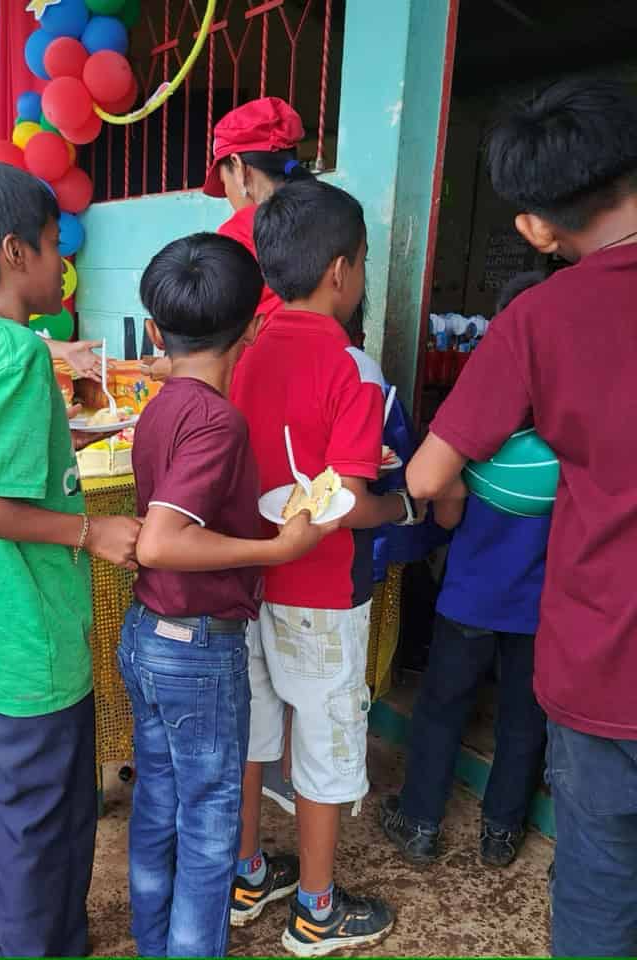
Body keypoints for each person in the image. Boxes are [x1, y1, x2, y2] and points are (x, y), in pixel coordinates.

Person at [405, 78, 637, 958]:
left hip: (605, 657)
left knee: (602, 883)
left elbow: (432, 473)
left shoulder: (541, 317)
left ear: (538, 225)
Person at [0, 160, 140, 958]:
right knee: (43, 834)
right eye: (53, 245)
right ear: (16, 252)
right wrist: (91, 533)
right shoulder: (15, 353)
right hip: (31, 655)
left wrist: (77, 441)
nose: (61, 262)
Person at [121, 232, 335, 958]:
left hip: (149, 635)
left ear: (156, 333)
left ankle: (154, 942)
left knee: (158, 804)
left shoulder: (160, 406)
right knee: (210, 829)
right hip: (197, 649)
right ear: (253, 326)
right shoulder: (217, 419)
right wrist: (275, 549)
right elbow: (160, 540)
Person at [230, 178, 425, 957]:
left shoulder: (239, 353)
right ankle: (314, 908)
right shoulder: (354, 369)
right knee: (322, 740)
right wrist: (403, 507)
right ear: (342, 271)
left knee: (252, 735)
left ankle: (246, 873)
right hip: (320, 593)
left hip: (245, 582)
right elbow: (345, 502)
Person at [381, 272, 550, 870]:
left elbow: (446, 512)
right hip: (542, 607)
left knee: (441, 706)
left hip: (472, 596)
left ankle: (420, 822)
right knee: (522, 716)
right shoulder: (570, 417)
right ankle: (501, 833)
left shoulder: (477, 414)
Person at [142, 96, 309, 384]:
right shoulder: (327, 218)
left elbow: (218, 347)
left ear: (239, 166)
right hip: (318, 378)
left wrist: (172, 367)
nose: (229, 196)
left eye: (225, 182)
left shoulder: (241, 231)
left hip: (265, 380)